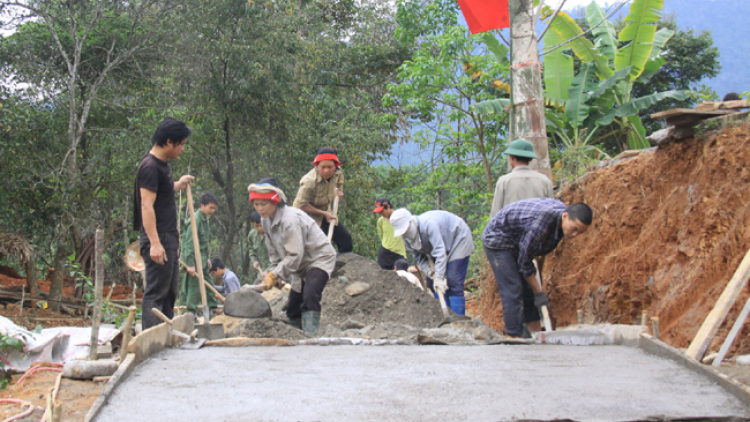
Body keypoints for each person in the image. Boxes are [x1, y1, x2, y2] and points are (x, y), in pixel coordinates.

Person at [482, 198, 593, 338]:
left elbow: (531, 252)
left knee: (529, 291)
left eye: (580, 232)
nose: (575, 234)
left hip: (517, 241)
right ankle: (514, 337)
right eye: (574, 228)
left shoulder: (560, 220)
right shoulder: (541, 223)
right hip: (498, 239)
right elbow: (524, 261)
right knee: (513, 288)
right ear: (565, 216)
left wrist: (535, 290)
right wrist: (539, 293)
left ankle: (536, 336)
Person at [250, 178, 336, 333]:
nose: (260, 208)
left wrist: (275, 274)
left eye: (264, 204)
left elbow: (295, 255)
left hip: (318, 258)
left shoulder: (290, 220)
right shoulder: (265, 221)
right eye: (256, 204)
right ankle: (295, 336)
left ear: (275, 202)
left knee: (310, 297)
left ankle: (310, 336)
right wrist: (274, 274)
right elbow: (274, 253)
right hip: (299, 264)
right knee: (293, 307)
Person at [133, 117, 194, 330]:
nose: (183, 149)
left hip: (168, 236)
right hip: (158, 237)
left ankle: (165, 335)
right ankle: (151, 341)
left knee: (169, 291)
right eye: (182, 144)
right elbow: (146, 206)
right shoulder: (150, 167)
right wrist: (155, 243)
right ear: (169, 141)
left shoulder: (162, 165)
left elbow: (161, 192)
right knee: (157, 292)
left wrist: (177, 184)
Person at [389, 209, 474, 315]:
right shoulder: (405, 238)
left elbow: (440, 252)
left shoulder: (429, 225)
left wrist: (438, 278)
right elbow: (419, 257)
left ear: (411, 222)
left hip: (458, 239)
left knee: (454, 281)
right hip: (438, 248)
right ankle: (446, 313)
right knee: (430, 282)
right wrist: (430, 273)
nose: (405, 233)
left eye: (406, 230)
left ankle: (459, 319)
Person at [292, 147, 353, 253]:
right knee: (318, 249)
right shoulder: (309, 181)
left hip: (326, 212)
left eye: (330, 167)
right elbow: (301, 205)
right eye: (322, 167)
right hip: (305, 218)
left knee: (345, 242)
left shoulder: (337, 173)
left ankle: (339, 267)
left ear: (336, 166)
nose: (326, 171)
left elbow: (339, 185)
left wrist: (339, 191)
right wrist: (324, 213)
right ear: (317, 166)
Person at [490, 139, 554, 217]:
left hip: (512, 228)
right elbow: (551, 212)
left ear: (512, 158)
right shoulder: (544, 181)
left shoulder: (504, 181)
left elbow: (495, 215)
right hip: (537, 228)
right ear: (530, 158)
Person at [179, 192, 219, 315]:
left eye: (214, 209)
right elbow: (189, 243)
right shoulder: (195, 220)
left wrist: (206, 258)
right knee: (194, 287)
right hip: (193, 259)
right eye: (210, 208)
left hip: (201, 259)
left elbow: (203, 242)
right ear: (202, 205)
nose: (212, 211)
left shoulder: (205, 219)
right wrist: (190, 264)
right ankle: (190, 312)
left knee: (208, 283)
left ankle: (213, 307)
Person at [373, 197, 408, 271]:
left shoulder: (401, 218)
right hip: (385, 254)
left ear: (388, 207)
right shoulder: (381, 221)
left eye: (382, 211)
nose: (381, 213)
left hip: (399, 254)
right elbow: (382, 236)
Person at [247, 211, 272, 285]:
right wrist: (254, 260)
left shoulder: (272, 234)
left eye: (261, 225)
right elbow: (251, 249)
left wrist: (268, 271)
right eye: (256, 226)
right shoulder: (252, 235)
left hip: (275, 273)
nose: (260, 228)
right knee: (252, 292)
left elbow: (280, 257)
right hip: (261, 275)